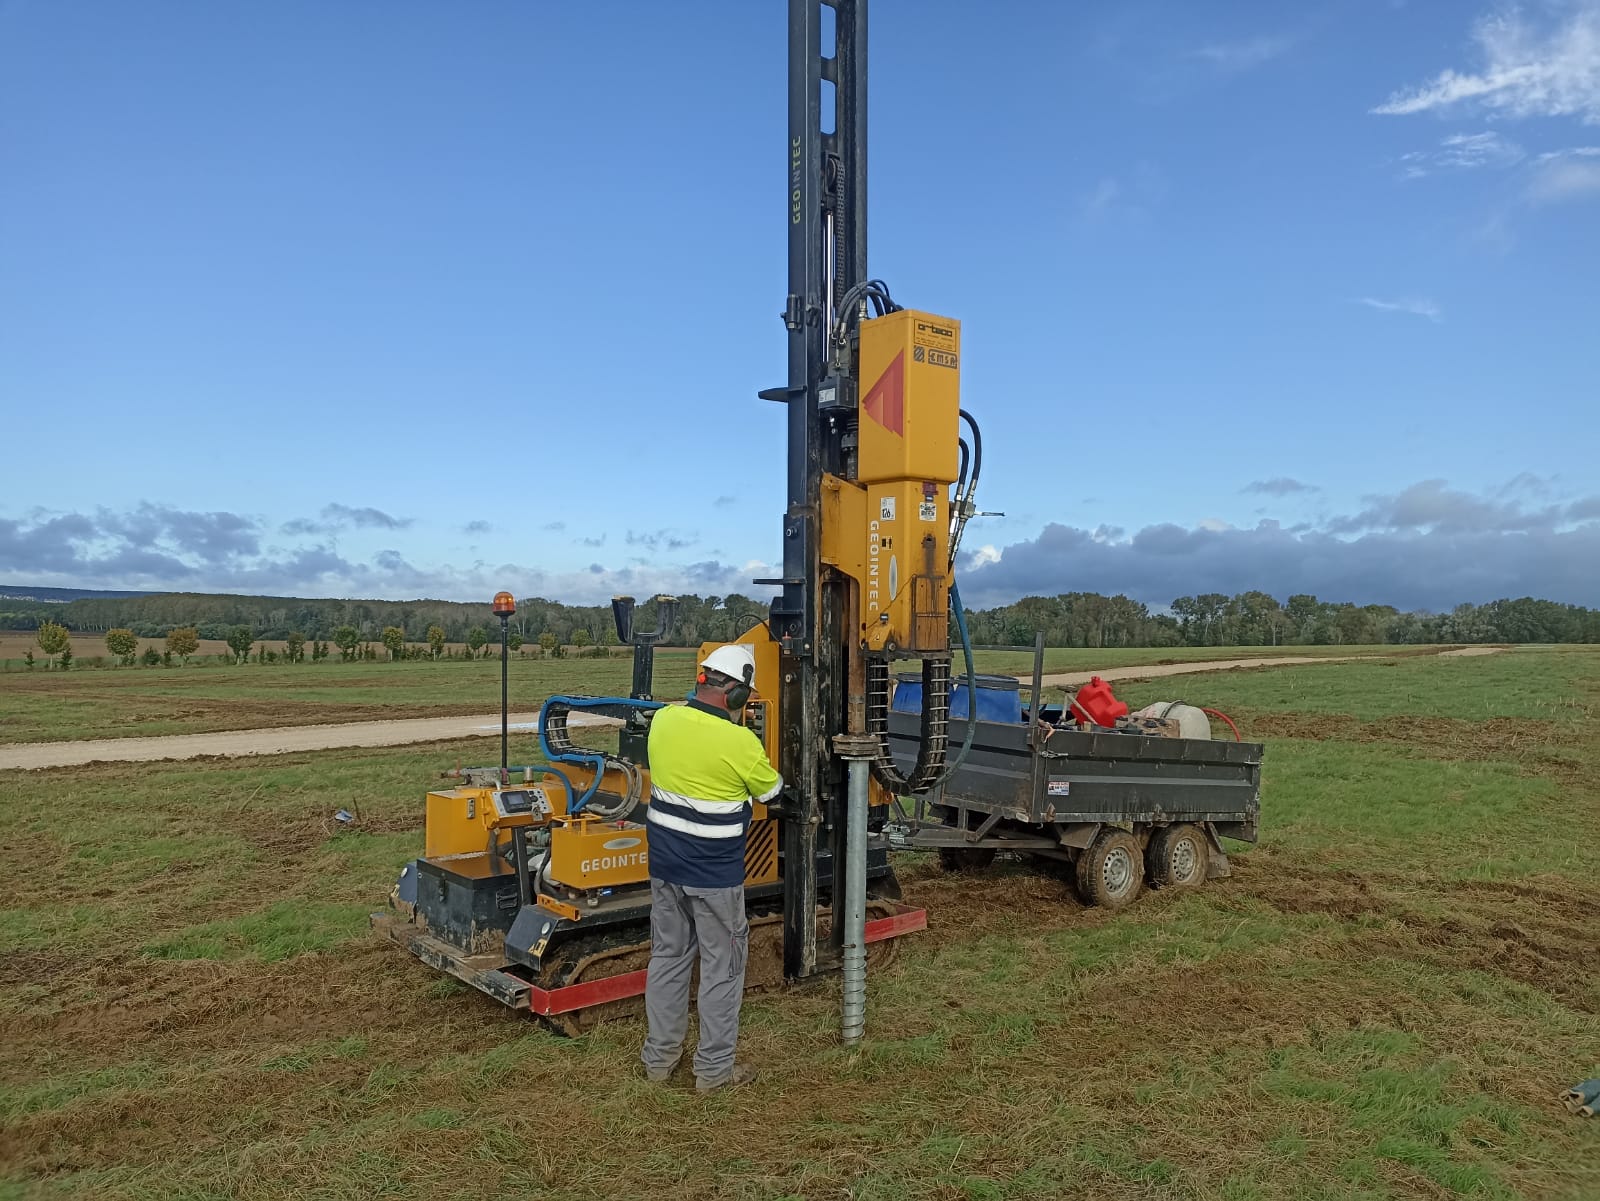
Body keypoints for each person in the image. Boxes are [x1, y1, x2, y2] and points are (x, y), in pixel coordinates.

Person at [639, 642, 782, 1091]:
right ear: (738, 695)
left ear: (701, 679)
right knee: (722, 969)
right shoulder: (740, 741)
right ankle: (714, 1074)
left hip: (665, 867)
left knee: (667, 958)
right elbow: (773, 792)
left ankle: (658, 1063)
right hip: (714, 877)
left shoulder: (663, 719)